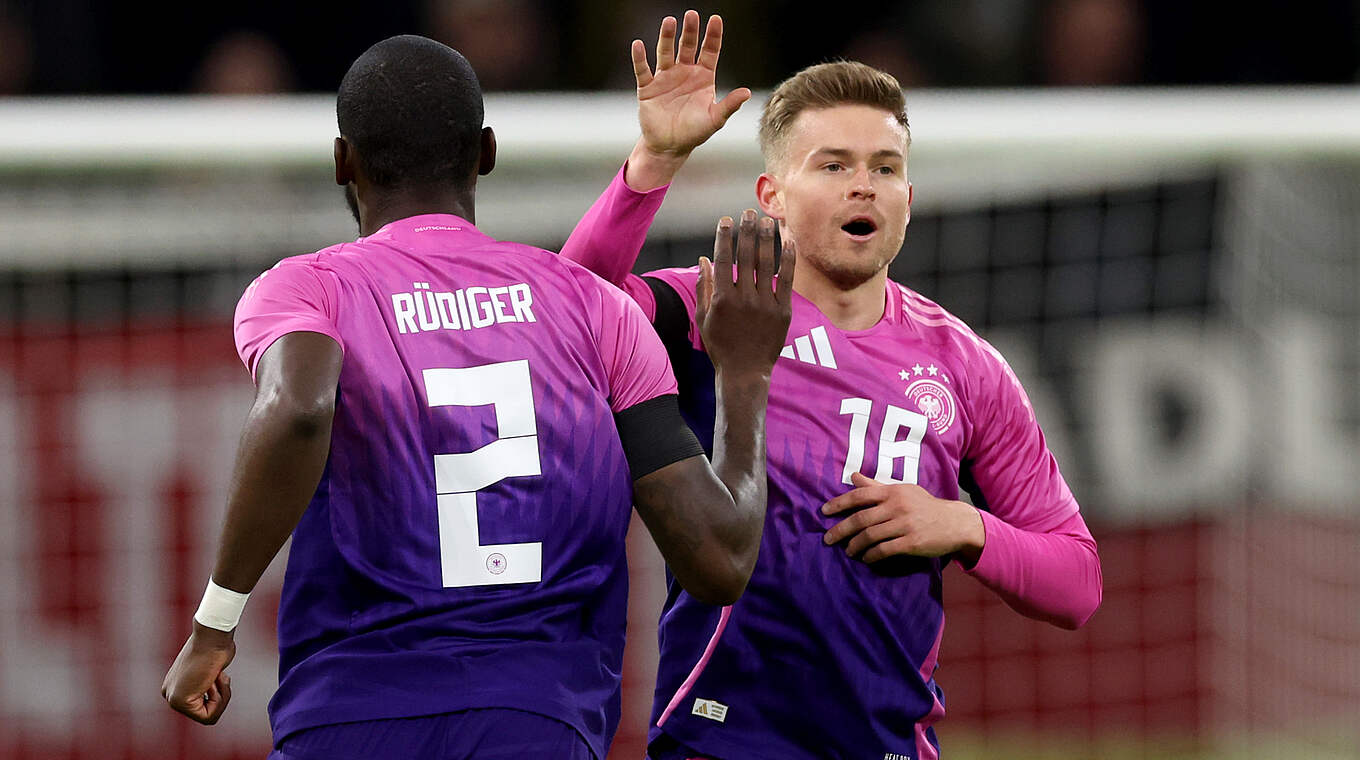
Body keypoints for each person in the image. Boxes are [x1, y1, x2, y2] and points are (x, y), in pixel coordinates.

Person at [160, 34, 794, 760]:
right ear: (486, 152)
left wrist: (216, 623)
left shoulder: (310, 289)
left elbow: (299, 409)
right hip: (534, 721)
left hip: (346, 717)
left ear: (344, 161)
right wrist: (743, 376)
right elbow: (718, 560)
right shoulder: (593, 310)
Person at [563, 11, 1103, 760]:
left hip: (885, 744)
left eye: (885, 168)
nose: (864, 187)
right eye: (834, 165)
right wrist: (653, 160)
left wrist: (963, 526)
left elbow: (1077, 583)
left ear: (908, 199)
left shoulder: (966, 365)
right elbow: (573, 309)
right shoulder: (716, 303)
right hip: (719, 739)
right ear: (772, 193)